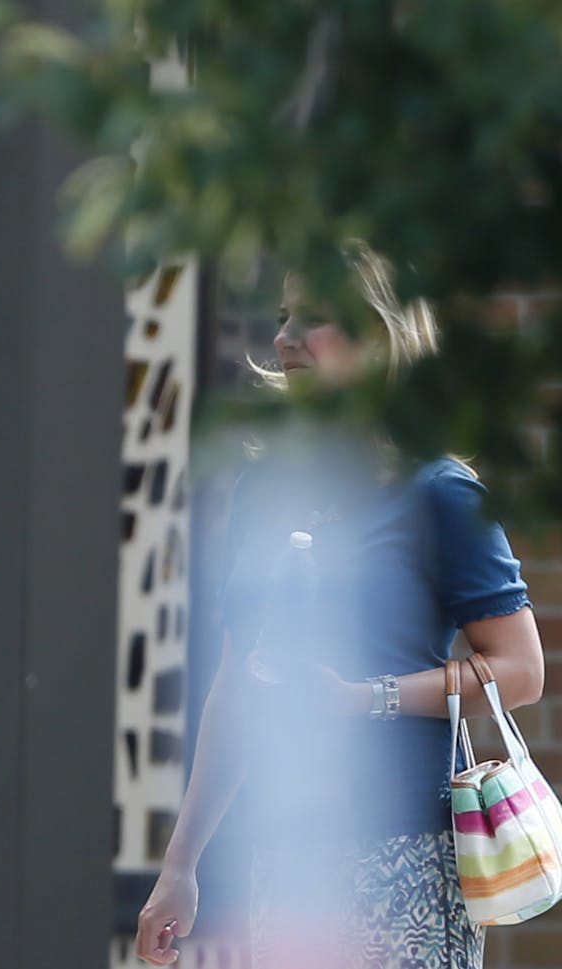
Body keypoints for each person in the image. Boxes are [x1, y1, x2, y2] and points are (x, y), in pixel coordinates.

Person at [135, 242, 545, 969]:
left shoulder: (439, 492)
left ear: (382, 336)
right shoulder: (265, 491)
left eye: (315, 318)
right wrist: (181, 864)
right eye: (285, 315)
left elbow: (521, 670)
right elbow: (237, 685)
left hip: (409, 851)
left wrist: (365, 699)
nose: (286, 338)